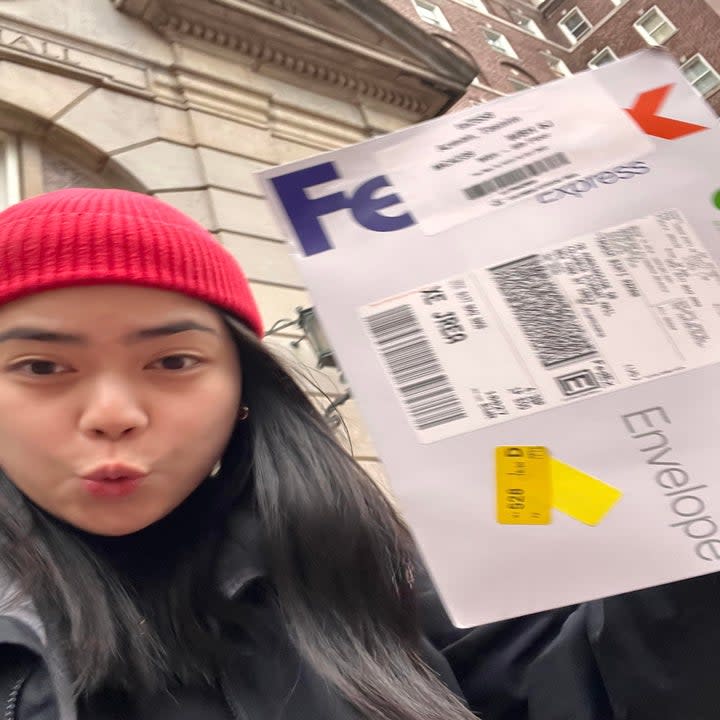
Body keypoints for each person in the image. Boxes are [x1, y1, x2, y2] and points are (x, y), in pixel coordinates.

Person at [0, 187, 717, 720]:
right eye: (39, 367)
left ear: (244, 390)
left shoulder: (374, 577)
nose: (113, 415)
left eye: (174, 361)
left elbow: (607, 686)